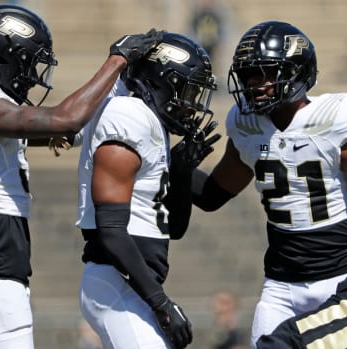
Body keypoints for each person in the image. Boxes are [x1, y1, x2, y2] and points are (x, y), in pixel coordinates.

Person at [0, 4, 162, 349]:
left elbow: (68, 131)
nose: (31, 74)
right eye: (26, 62)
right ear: (3, 56)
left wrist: (119, 90)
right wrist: (116, 61)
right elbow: (62, 122)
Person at [183, 20, 347, 346]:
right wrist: (174, 165)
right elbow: (212, 196)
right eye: (248, 76)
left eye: (264, 74)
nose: (254, 85)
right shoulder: (246, 126)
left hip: (342, 279)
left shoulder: (336, 119)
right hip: (281, 286)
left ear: (297, 73)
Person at [76, 32, 220, 349]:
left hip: (132, 283)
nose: (191, 105)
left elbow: (176, 228)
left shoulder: (151, 125)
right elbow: (111, 229)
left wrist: (181, 172)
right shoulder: (130, 116)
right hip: (116, 280)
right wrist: (161, 304)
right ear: (160, 82)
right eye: (187, 90)